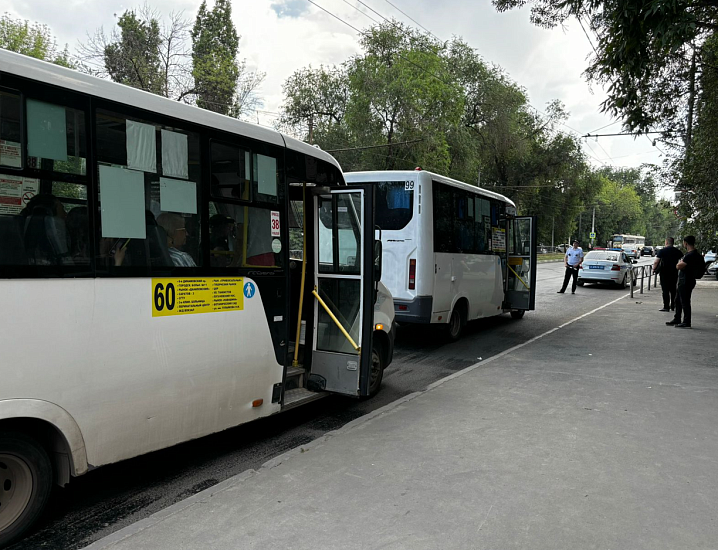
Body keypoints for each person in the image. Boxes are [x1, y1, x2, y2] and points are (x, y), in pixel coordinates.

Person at [666, 235, 702, 328]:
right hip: (688, 280)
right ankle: (677, 318)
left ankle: (686, 322)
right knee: (678, 300)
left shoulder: (690, 255)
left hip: (686, 280)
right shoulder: (697, 254)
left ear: (685, 243)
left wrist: (679, 263)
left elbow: (678, 266)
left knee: (684, 301)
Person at [653, 237, 683, 312]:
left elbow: (656, 262)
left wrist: (654, 269)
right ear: (673, 243)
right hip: (674, 273)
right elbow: (682, 260)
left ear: (666, 242)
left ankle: (666, 306)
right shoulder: (677, 251)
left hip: (664, 273)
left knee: (665, 290)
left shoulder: (662, 251)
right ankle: (673, 305)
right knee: (673, 290)